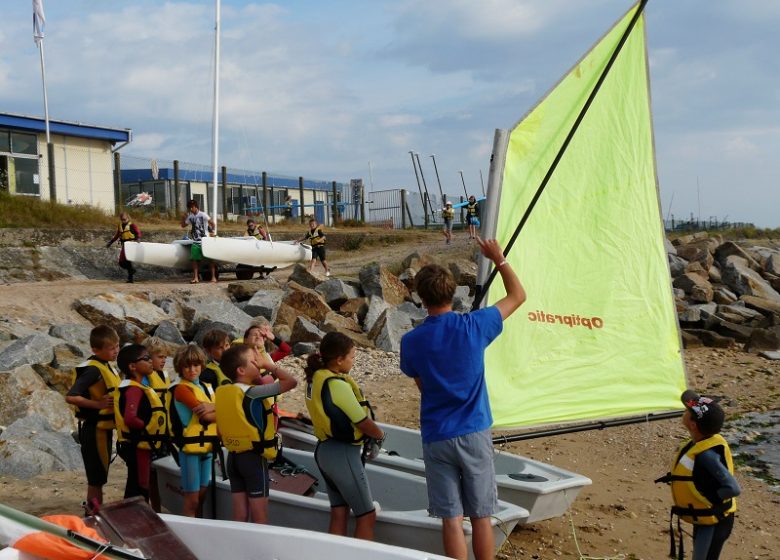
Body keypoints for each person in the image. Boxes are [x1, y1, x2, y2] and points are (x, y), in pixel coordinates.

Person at [399, 237, 526, 560]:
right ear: (453, 292)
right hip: (473, 431)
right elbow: (518, 296)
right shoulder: (474, 325)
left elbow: (421, 383)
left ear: (420, 297)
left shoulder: (412, 341)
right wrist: (499, 258)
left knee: (451, 518)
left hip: (437, 434)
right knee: (481, 515)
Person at [304, 332, 385, 541]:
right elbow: (361, 421)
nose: (353, 362)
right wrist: (380, 435)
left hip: (324, 452)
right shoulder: (336, 384)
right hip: (342, 455)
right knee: (367, 515)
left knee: (339, 513)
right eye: (352, 357)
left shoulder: (316, 378)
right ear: (339, 360)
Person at [215, 344, 297, 523]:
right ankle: (259, 551)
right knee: (260, 516)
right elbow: (291, 382)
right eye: (254, 361)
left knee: (239, 515)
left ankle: (240, 549)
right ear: (241, 370)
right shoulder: (252, 393)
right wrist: (270, 366)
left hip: (233, 459)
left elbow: (219, 432)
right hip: (253, 459)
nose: (259, 363)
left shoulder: (223, 393)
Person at [656, 391, 740, 560]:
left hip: (714, 521)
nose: (684, 411)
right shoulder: (699, 443)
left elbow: (733, 488)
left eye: (688, 411)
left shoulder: (707, 454)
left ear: (693, 424)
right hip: (704, 518)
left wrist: (710, 501)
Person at [65, 325, 122, 509]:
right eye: (111, 348)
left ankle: (95, 511)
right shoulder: (93, 370)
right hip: (93, 429)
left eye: (117, 346)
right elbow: (71, 396)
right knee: (96, 478)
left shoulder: (106, 366)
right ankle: (93, 514)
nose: (116, 351)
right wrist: (97, 404)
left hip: (103, 429)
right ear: (96, 350)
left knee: (99, 476)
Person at [114, 344, 167, 504]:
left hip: (139, 444)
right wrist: (147, 430)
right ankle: (134, 520)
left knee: (137, 483)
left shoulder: (137, 387)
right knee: (140, 485)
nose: (151, 361)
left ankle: (134, 517)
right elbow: (130, 418)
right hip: (138, 445)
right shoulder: (133, 390)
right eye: (146, 359)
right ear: (132, 366)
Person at [170, 343, 218, 517]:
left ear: (202, 366)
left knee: (202, 495)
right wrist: (223, 411)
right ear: (180, 368)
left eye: (196, 365)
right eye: (187, 366)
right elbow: (204, 416)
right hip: (190, 450)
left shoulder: (206, 386)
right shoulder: (182, 389)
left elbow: (213, 411)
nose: (192, 370)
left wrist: (213, 406)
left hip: (207, 448)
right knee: (192, 500)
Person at [141, 336, 173, 512]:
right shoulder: (145, 378)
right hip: (151, 432)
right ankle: (153, 508)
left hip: (164, 431)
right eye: (160, 357)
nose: (164, 360)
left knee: (160, 471)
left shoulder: (164, 375)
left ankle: (159, 506)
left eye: (165, 357)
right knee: (151, 474)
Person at [180, 199, 217, 284]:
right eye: (189, 208)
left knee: (210, 259)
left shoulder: (203, 215)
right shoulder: (190, 216)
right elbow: (183, 225)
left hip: (205, 241)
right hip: (196, 241)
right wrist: (183, 218)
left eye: (191, 207)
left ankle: (213, 277)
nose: (190, 209)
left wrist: (212, 232)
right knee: (194, 260)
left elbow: (212, 223)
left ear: (195, 206)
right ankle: (196, 278)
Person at [106, 212, 141, 283]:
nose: (123, 220)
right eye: (122, 219)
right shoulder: (120, 226)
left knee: (127, 261)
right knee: (121, 262)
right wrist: (111, 242)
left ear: (128, 218)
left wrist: (138, 238)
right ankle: (132, 272)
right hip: (124, 244)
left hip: (131, 244)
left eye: (124, 219)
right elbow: (117, 235)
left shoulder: (132, 225)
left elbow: (138, 233)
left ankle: (130, 279)